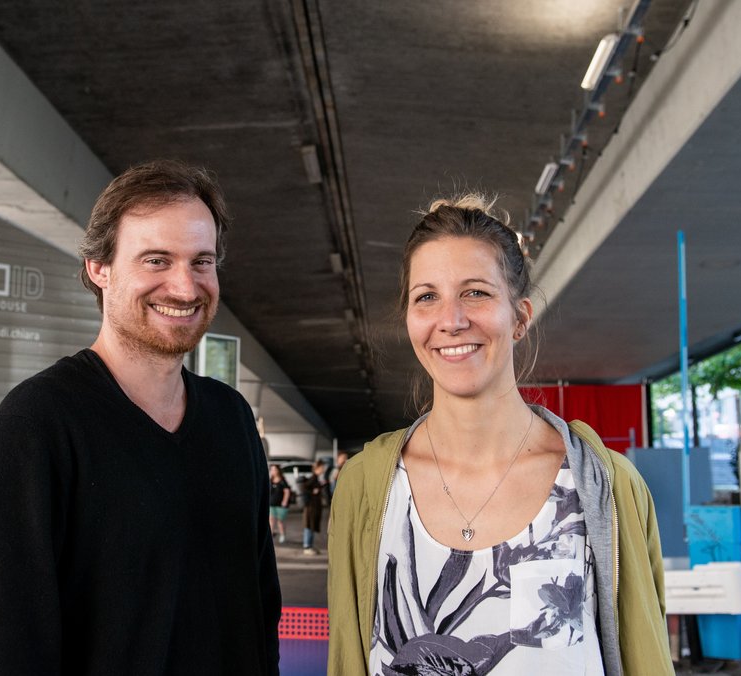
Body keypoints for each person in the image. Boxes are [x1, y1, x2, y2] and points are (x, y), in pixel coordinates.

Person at [0, 160, 281, 675]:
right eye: (156, 260)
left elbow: (259, 612)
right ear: (99, 269)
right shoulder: (38, 424)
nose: (186, 288)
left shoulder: (232, 421)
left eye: (202, 262)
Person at [327, 195, 671, 675]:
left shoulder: (604, 489)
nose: (452, 320)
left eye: (476, 293)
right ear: (409, 320)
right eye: (427, 296)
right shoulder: (366, 488)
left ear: (521, 318)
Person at [301, 459, 327, 555]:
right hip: (311, 507)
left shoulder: (316, 478)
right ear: (318, 468)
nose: (323, 469)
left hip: (313, 506)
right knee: (309, 526)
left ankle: (309, 545)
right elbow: (304, 487)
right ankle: (307, 546)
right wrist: (313, 491)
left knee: (310, 526)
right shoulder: (313, 477)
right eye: (322, 468)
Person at [269, 464, 292, 544]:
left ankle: (282, 535)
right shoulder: (270, 480)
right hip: (271, 504)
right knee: (271, 521)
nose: (273, 471)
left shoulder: (282, 481)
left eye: (274, 469)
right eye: (271, 470)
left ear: (278, 470)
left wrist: (285, 501)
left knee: (280, 521)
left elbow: (287, 491)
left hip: (281, 505)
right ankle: (270, 535)